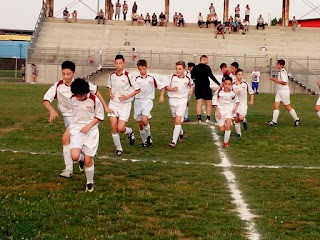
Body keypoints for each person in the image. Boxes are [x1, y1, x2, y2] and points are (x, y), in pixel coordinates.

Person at [43, 61, 111, 178]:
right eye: (63, 74)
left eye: (68, 74)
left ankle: (68, 170)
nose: (66, 76)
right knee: (70, 141)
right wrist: (51, 110)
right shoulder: (58, 85)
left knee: (65, 138)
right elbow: (46, 99)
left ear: (73, 73)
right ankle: (81, 158)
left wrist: (105, 107)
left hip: (80, 117)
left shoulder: (81, 84)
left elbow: (96, 92)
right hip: (68, 117)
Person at [69, 78, 104, 192]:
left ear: (86, 92)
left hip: (91, 131)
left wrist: (88, 126)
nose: (78, 97)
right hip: (77, 130)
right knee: (74, 156)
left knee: (89, 161)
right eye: (76, 95)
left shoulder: (94, 100)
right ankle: (81, 158)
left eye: (80, 95)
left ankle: (90, 182)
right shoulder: (73, 99)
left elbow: (99, 116)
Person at [106, 55, 141, 156]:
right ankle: (119, 148)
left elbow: (138, 89)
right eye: (116, 63)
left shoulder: (128, 76)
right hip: (113, 104)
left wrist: (127, 97)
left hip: (125, 105)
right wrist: (110, 93)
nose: (118, 65)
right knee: (113, 126)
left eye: (120, 63)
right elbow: (109, 86)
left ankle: (130, 132)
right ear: (114, 64)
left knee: (120, 128)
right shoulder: (111, 75)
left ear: (123, 63)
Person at [134, 60, 165, 147]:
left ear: (146, 68)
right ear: (138, 69)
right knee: (140, 124)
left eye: (144, 69)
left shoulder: (151, 78)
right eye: (140, 69)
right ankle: (144, 142)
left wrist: (161, 96)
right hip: (138, 102)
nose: (142, 71)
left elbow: (162, 87)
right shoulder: (136, 79)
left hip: (147, 101)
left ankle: (149, 137)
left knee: (144, 119)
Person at [165, 61, 193, 148]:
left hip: (182, 101)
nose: (178, 70)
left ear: (184, 69)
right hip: (172, 100)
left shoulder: (187, 78)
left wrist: (191, 90)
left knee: (177, 121)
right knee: (175, 121)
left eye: (180, 69)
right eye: (177, 69)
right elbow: (166, 87)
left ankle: (173, 141)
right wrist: (172, 89)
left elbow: (191, 85)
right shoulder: (172, 77)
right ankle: (181, 133)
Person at [266, 59, 300, 127]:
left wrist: (275, 80)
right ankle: (274, 121)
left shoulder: (282, 72)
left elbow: (284, 82)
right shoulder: (281, 72)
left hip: (284, 92)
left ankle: (296, 119)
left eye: (277, 64)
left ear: (281, 65)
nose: (276, 65)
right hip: (280, 92)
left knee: (287, 107)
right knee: (276, 106)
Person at [191, 55, 220, 124]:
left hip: (198, 87)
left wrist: (196, 83)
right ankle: (208, 118)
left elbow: (192, 77)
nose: (208, 61)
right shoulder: (207, 67)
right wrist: (219, 84)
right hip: (206, 87)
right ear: (203, 59)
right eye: (207, 60)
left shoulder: (195, 67)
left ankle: (199, 119)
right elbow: (211, 76)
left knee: (199, 103)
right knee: (208, 103)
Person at [212, 76, 239, 148]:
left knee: (228, 126)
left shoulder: (233, 93)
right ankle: (225, 133)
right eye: (226, 84)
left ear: (231, 85)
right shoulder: (219, 91)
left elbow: (237, 101)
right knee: (222, 129)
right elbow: (214, 102)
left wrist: (235, 108)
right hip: (220, 111)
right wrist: (218, 111)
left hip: (229, 111)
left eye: (229, 84)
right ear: (223, 84)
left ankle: (225, 143)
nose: (227, 86)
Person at [232, 69, 254, 138]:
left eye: (241, 74)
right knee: (236, 119)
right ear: (236, 76)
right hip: (235, 105)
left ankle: (244, 120)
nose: (240, 76)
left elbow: (252, 92)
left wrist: (251, 100)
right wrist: (234, 93)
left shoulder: (245, 83)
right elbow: (230, 95)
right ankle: (239, 134)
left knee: (240, 118)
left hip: (243, 104)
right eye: (239, 75)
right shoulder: (233, 85)